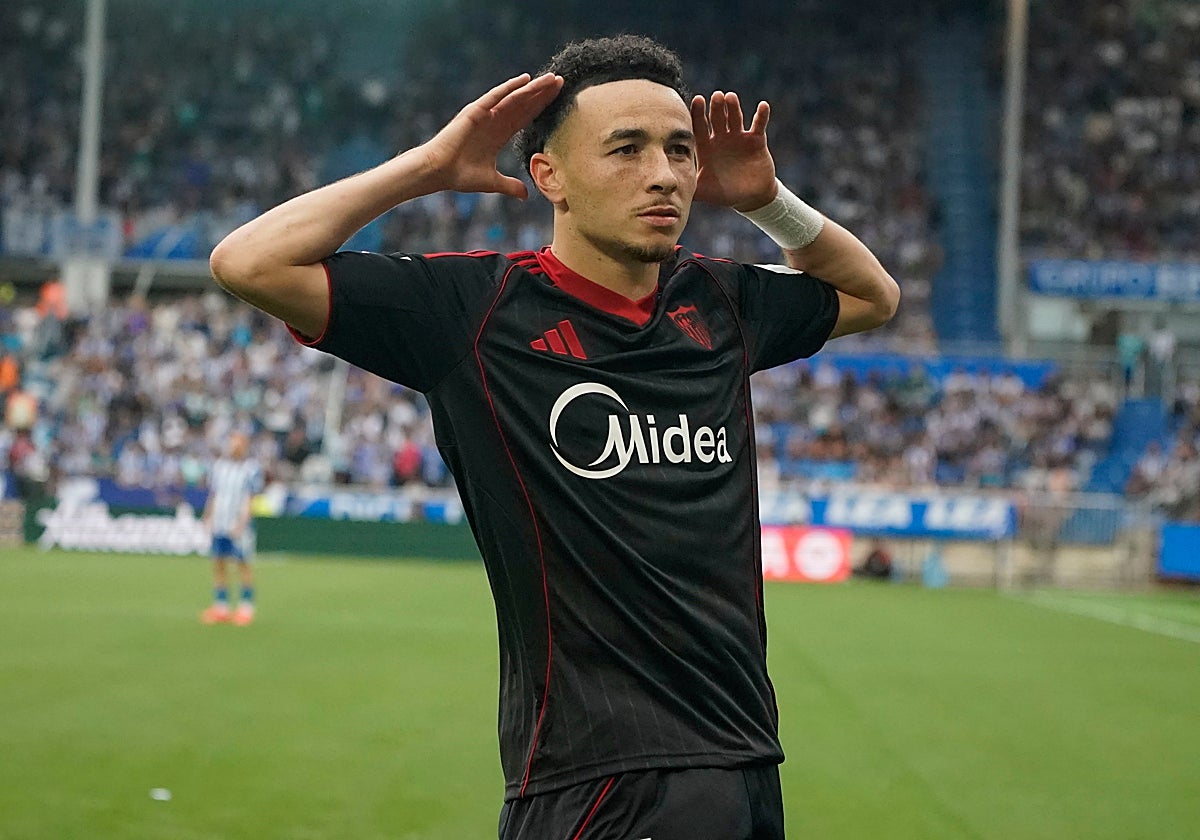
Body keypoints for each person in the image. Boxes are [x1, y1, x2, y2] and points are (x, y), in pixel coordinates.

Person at [210, 35, 898, 840]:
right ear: (549, 176)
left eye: (680, 150)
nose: (664, 174)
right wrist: (428, 167)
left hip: (744, 767)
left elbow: (873, 295)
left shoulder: (721, 302)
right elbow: (247, 262)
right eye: (627, 149)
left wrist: (765, 201)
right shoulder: (471, 311)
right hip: (592, 780)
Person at [200, 431, 263, 626]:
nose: (234, 447)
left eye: (237, 444)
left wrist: (242, 524)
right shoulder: (219, 467)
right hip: (220, 522)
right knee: (218, 563)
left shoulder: (251, 469)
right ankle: (221, 607)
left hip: (238, 525)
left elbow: (250, 499)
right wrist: (207, 517)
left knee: (243, 564)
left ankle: (246, 607)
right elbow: (215, 494)